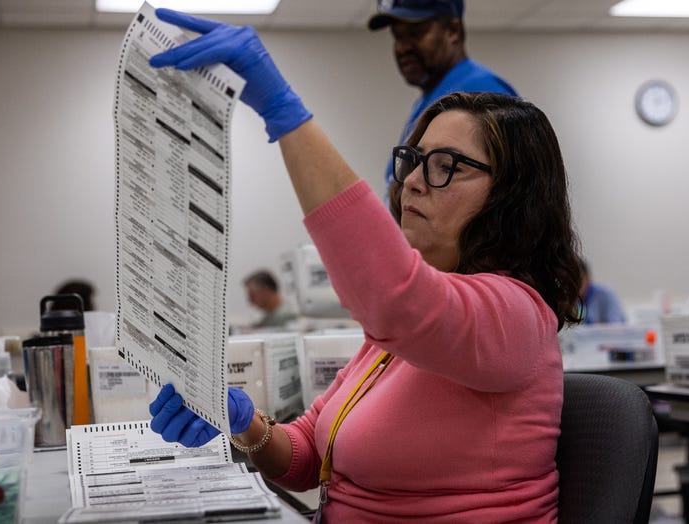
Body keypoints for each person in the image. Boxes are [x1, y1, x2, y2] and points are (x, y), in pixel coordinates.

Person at [146, 8, 583, 522]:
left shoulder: (516, 316)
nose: (414, 181)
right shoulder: (400, 337)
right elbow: (311, 454)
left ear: (513, 198)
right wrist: (240, 421)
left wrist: (283, 111)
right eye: (414, 160)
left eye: (446, 166)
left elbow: (395, 297)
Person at [368, 0, 518, 188]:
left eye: (415, 33)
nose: (402, 48)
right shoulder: (431, 98)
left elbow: (508, 197)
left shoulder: (480, 93)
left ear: (453, 31)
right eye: (397, 37)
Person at [578, 258, 626, 324]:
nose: (574, 285)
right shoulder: (571, 300)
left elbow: (615, 327)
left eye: (578, 279)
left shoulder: (606, 295)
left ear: (587, 277)